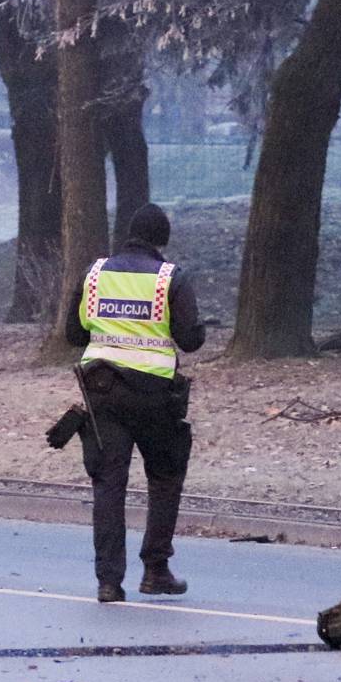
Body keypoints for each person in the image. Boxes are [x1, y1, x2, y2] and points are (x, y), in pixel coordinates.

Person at [62, 201, 204, 604]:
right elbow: (191, 339)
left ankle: (109, 582)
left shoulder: (93, 274)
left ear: (127, 234)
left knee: (109, 483)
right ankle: (155, 570)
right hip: (155, 395)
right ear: (163, 239)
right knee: (164, 477)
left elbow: (74, 334)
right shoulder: (170, 279)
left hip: (101, 390)